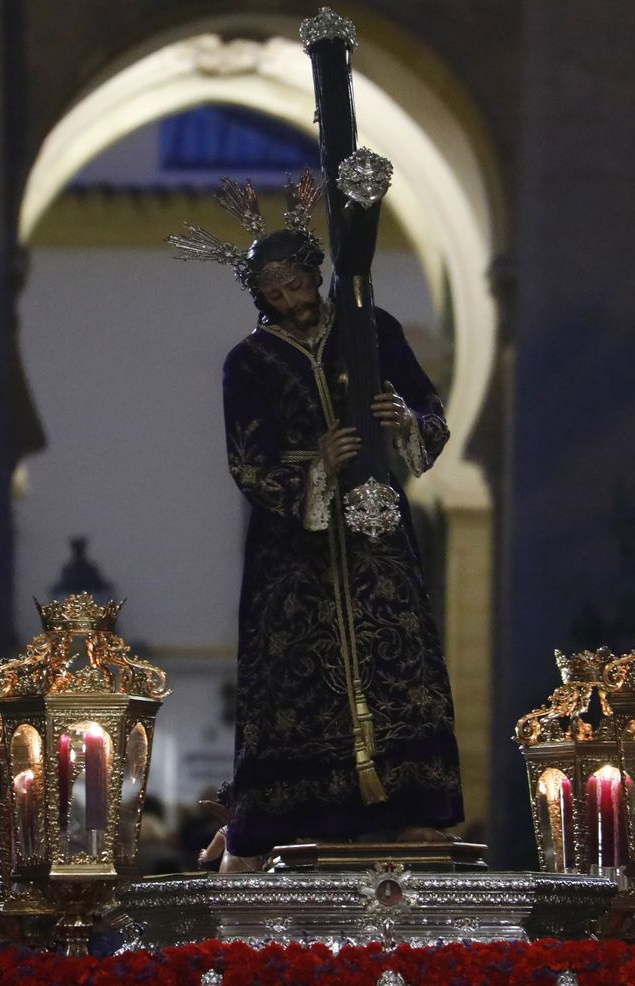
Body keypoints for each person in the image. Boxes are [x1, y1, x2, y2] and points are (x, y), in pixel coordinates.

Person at [199, 218, 465, 870]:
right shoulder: (249, 363)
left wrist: (403, 420)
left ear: (315, 273)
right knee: (296, 670)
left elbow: (429, 411)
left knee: (397, 654)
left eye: (296, 284)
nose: (290, 299)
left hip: (376, 529)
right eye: (274, 293)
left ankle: (412, 809)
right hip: (293, 546)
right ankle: (294, 817)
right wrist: (316, 464)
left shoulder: (371, 331)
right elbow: (248, 463)